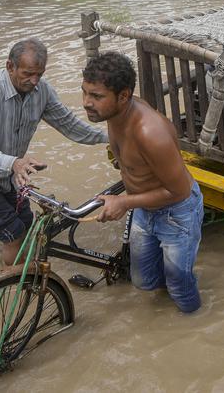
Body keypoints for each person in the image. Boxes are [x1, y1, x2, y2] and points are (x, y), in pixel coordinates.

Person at [0, 38, 108, 267]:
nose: (34, 81)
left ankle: (18, 270)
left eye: (39, 75)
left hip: (11, 172)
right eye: (27, 74)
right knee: (14, 232)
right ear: (10, 67)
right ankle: (15, 287)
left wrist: (108, 138)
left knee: (26, 222)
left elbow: (69, 125)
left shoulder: (41, 91)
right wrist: (13, 163)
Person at [82, 52, 204, 313]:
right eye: (85, 93)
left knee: (181, 286)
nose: (86, 103)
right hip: (144, 207)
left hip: (176, 212)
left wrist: (124, 201)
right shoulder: (114, 114)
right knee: (143, 280)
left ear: (123, 96)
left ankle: (192, 325)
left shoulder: (150, 132)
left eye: (96, 96)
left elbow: (179, 191)